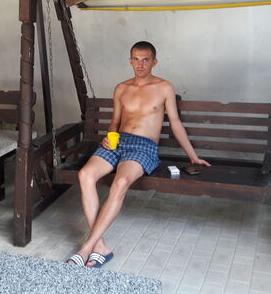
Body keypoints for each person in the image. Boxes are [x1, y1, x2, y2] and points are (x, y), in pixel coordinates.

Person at [67, 41, 211, 268]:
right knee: (85, 175)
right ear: (130, 61)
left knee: (120, 181)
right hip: (118, 142)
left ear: (154, 62)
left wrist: (192, 156)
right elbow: (115, 122)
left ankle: (87, 247)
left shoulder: (164, 87)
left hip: (144, 147)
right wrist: (108, 137)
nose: (140, 64)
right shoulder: (121, 88)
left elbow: (175, 122)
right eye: (136, 59)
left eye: (145, 60)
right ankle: (100, 245)